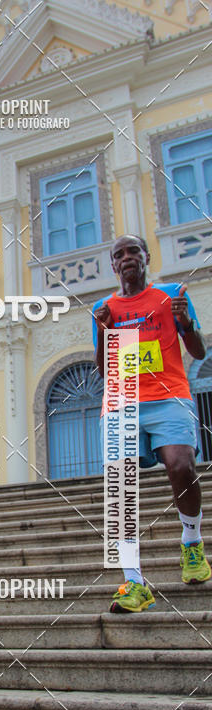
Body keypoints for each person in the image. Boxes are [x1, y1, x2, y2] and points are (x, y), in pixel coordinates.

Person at [93, 234, 209, 613]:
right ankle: (134, 583)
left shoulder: (171, 295)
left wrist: (185, 321)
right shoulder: (105, 307)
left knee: (181, 465)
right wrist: (105, 334)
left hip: (169, 395)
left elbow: (198, 351)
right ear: (113, 265)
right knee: (120, 488)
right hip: (121, 401)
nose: (127, 258)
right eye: (119, 254)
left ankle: (191, 544)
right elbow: (107, 371)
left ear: (146, 257)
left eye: (133, 251)